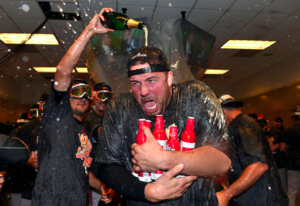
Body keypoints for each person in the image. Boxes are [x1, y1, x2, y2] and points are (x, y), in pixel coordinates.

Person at [95, 13, 232, 205]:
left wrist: (163, 159)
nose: (143, 91)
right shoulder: (120, 106)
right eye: (135, 83)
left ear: (169, 78)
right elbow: (106, 166)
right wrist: (147, 191)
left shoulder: (196, 95)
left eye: (151, 81)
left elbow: (222, 162)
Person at [31, 8, 115, 206]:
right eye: (77, 92)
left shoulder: (83, 131)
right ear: (66, 95)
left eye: (87, 93)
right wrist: (89, 31)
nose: (83, 97)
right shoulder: (57, 115)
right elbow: (62, 70)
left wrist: (101, 186)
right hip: (51, 200)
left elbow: (82, 170)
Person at [217, 94, 288, 206]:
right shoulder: (245, 123)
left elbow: (258, 166)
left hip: (261, 199)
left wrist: (227, 194)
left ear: (220, 111)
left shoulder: (240, 125)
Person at [82, 82, 115, 206]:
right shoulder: (88, 116)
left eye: (108, 96)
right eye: (101, 96)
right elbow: (101, 133)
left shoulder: (107, 116)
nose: (105, 100)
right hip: (91, 178)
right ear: (93, 97)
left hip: (102, 177)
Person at [258, 118, 288, 192]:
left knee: (281, 184)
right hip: (271, 163)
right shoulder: (260, 134)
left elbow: (281, 147)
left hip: (277, 162)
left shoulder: (275, 133)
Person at [281, 107, 300, 206]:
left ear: (293, 117)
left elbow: (282, 148)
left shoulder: (288, 131)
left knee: (292, 193)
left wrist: (289, 148)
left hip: (294, 165)